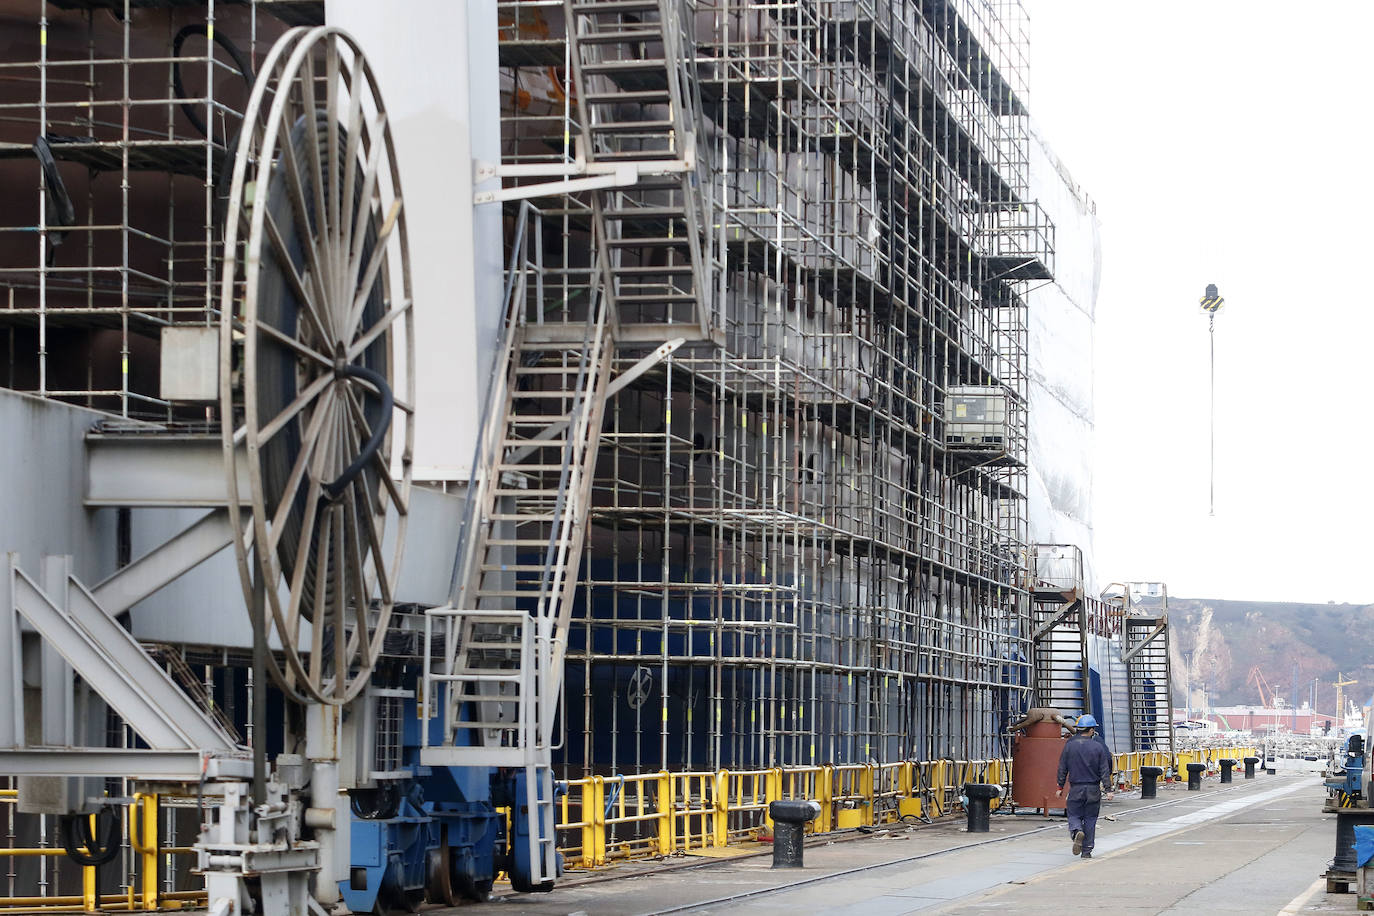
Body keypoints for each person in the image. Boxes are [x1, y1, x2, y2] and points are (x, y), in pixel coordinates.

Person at [1055, 714, 1115, 859]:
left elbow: (1062, 767)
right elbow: (1104, 770)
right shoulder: (1098, 747)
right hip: (1093, 789)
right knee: (1090, 818)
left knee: (1074, 814)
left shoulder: (1069, 746)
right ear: (1092, 730)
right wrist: (1108, 789)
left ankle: (1076, 831)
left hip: (1076, 788)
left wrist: (1060, 787)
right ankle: (1087, 851)